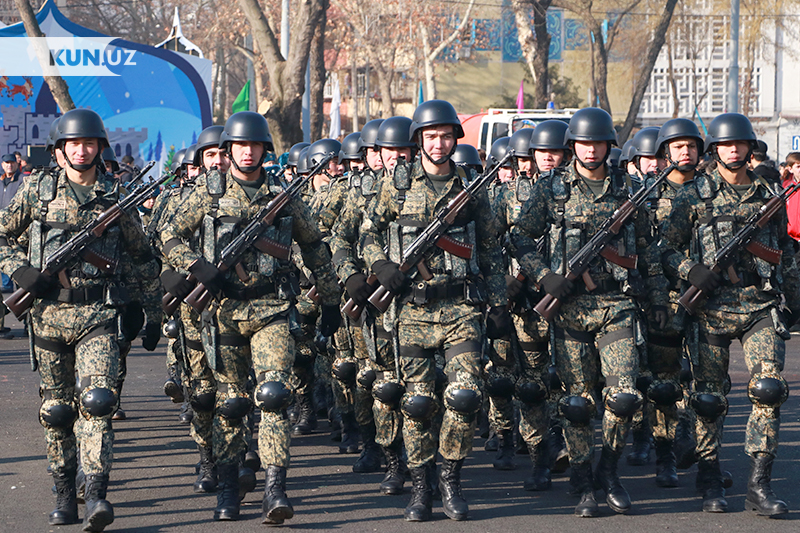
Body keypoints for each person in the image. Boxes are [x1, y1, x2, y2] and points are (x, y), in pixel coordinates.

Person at [160, 111, 341, 524]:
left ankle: (275, 487)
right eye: (240, 145)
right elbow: (167, 233)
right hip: (222, 311)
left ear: (264, 150)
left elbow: (313, 247)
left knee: (275, 396)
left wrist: (329, 300)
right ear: (228, 151)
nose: (247, 151)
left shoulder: (282, 194)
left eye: (254, 145)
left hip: (271, 309)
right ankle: (228, 485)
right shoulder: (209, 193)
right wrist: (193, 266)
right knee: (230, 403)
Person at [0, 108, 161, 531]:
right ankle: (62, 492)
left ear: (99, 148)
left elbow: (142, 257)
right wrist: (21, 271)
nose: (81, 150)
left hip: (97, 317)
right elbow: (1, 235)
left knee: (98, 402)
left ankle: (96, 494)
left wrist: (153, 312)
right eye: (73, 143)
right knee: (56, 411)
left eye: (88, 143)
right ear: (59, 151)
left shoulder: (116, 197)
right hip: (49, 315)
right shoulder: (37, 190)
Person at [510, 107, 666, 517]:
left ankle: (608, 471)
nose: (591, 149)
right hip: (570, 309)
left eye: (598, 142)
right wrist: (545, 277)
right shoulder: (551, 190)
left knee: (625, 396)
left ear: (609, 146)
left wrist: (659, 299)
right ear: (572, 146)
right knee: (577, 404)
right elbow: (520, 237)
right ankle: (581, 477)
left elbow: (648, 250)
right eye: (583, 142)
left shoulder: (629, 190)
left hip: (617, 305)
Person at [361, 99, 509, 522]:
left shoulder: (470, 187)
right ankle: (421, 486)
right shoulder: (397, 184)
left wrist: (497, 304)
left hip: (461, 307)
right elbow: (368, 234)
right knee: (417, 404)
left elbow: (491, 250)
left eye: (446, 136)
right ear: (419, 141)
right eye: (431, 136)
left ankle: (451, 479)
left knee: (464, 396)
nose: (439, 143)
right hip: (410, 311)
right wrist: (381, 265)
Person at [659, 113, 797, 516]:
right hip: (710, 310)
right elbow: (664, 250)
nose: (733, 150)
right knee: (708, 399)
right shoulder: (694, 194)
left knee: (768, 390)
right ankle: (709, 476)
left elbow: (784, 252)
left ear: (750, 147)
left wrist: (794, 300)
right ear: (714, 149)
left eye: (740, 144)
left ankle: (759, 483)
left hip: (759, 304)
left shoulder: (770, 191)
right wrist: (690, 270)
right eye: (725, 145)